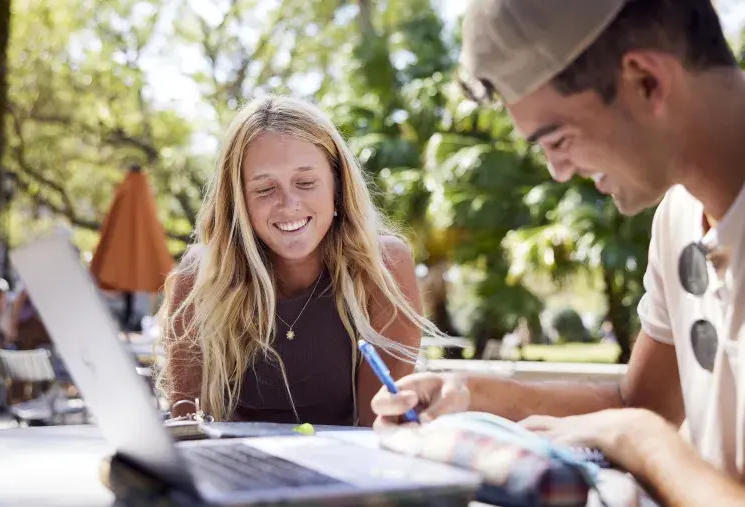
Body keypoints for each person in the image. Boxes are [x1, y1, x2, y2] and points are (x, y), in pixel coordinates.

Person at [372, 0, 745, 503]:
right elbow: (640, 402)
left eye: (559, 139)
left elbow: (637, 424)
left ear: (646, 82)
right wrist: (471, 395)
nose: (559, 172)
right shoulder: (678, 216)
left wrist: (639, 439)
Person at [157, 95, 440, 427]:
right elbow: (187, 428)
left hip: (350, 473)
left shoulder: (384, 267)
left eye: (305, 183)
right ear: (238, 203)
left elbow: (377, 430)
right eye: (264, 189)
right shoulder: (200, 275)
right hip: (236, 471)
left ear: (338, 189)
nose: (288, 204)